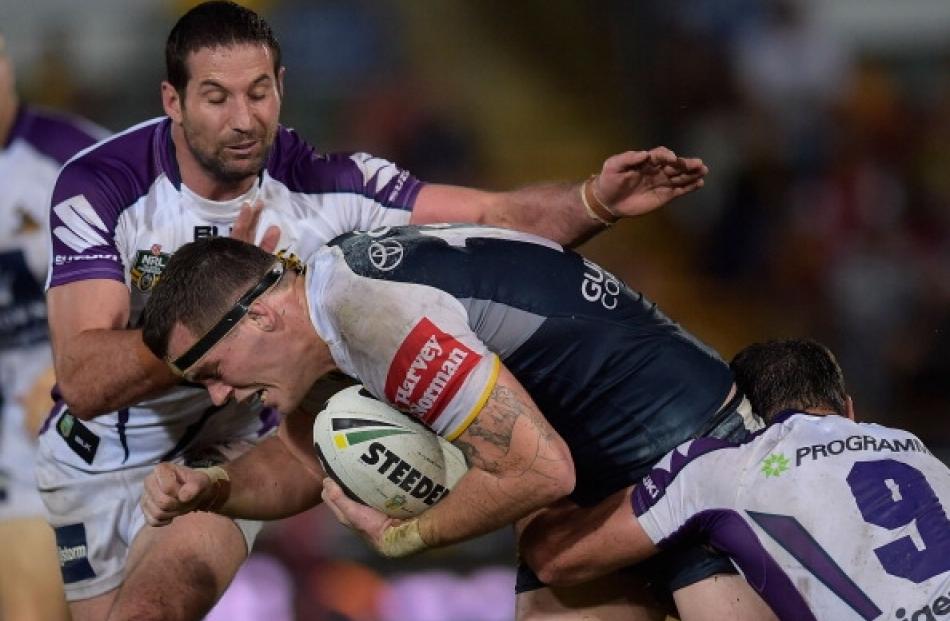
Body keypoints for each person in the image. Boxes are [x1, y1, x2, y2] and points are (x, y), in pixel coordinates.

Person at [38, 2, 711, 620]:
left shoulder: (327, 184)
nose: (244, 119)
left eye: (260, 92)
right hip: (93, 459)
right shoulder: (105, 184)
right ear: (172, 100)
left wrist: (594, 201)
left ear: (283, 87)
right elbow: (86, 381)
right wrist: (218, 320)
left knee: (154, 609)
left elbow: (492, 215)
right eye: (215, 97)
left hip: (244, 443)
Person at [138, 226, 774, 621]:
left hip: (693, 456)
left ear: (260, 317)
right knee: (550, 555)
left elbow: (537, 470)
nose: (220, 395)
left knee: (552, 552)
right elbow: (304, 465)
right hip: (613, 476)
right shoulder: (331, 297)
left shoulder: (371, 317)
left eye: (213, 369)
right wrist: (213, 488)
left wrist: (403, 537)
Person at [518, 338, 950, 620]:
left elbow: (558, 560)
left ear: (743, 417)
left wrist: (537, 480)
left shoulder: (727, 466)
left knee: (689, 550)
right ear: (849, 409)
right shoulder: (913, 446)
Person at [0, 35, 108, 621]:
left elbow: (162, 290)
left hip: (74, 414)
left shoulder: (77, 161)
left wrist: (75, 369)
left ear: (5, 68)